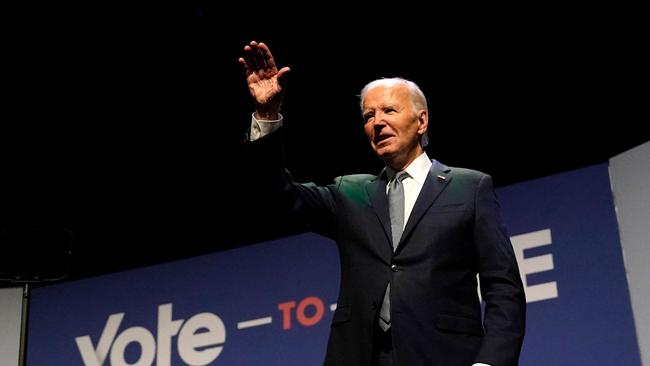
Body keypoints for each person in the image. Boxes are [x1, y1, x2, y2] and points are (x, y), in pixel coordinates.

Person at [240, 40, 526, 366]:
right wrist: (266, 114)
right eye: (368, 116)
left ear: (422, 121)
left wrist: (491, 362)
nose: (377, 122)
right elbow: (276, 195)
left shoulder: (470, 187)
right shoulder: (350, 193)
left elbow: (503, 288)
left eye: (389, 111)